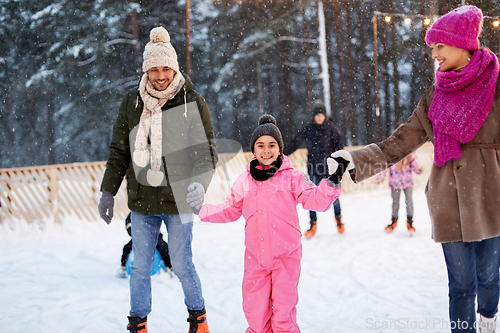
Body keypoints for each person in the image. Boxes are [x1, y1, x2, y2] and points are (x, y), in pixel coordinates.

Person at [329, 6, 500, 333]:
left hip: (492, 196)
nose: (433, 54)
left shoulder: (497, 86)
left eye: (439, 46)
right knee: (462, 285)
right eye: (432, 47)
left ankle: (489, 316)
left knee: (489, 277)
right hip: (450, 201)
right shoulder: (436, 97)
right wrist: (354, 159)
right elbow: (400, 142)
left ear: (463, 44)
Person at [98, 26, 217, 333]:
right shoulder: (132, 103)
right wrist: (108, 191)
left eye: (166, 68)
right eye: (154, 68)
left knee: (182, 264)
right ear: (146, 69)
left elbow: (207, 152)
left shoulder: (192, 102)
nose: (160, 75)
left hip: (179, 201)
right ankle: (138, 324)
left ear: (174, 67)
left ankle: (198, 320)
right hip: (142, 201)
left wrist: (198, 184)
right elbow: (119, 151)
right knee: (138, 268)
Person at [198, 114, 349, 333]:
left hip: (286, 260)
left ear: (280, 149)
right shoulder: (244, 180)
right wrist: (200, 209)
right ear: (253, 150)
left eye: (272, 145)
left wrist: (333, 180)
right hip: (255, 260)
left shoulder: (293, 178)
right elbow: (229, 209)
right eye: (260, 145)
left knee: (282, 319)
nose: (266, 150)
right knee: (256, 318)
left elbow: (316, 200)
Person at [283, 102, 345, 238]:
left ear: (324, 115)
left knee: (334, 196)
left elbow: (340, 148)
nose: (319, 117)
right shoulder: (308, 129)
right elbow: (295, 142)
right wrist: (283, 153)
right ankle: (313, 223)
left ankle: (339, 219)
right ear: (313, 116)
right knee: (311, 196)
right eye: (317, 115)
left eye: (321, 115)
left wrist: (341, 166)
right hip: (313, 168)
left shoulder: (332, 129)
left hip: (330, 169)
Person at [375, 152, 423, 234]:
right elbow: (385, 168)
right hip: (395, 183)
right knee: (395, 203)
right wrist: (380, 178)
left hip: (408, 182)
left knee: (409, 202)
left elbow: (415, 167)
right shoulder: (391, 154)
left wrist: (419, 169)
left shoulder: (409, 154)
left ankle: (410, 223)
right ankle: (394, 221)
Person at [117, 212, 173, 278]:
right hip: (138, 237)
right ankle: (123, 267)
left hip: (155, 236)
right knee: (126, 248)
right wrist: (136, 233)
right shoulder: (133, 213)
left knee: (163, 247)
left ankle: (169, 266)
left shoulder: (152, 211)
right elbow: (129, 225)